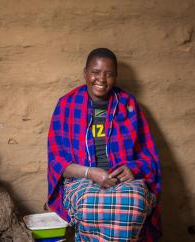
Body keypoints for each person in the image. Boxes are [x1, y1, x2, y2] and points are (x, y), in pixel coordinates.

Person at [47, 48, 161, 241]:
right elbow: (57, 163)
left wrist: (132, 168)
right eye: (95, 72)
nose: (102, 79)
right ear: (85, 73)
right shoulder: (67, 105)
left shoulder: (128, 105)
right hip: (82, 180)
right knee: (88, 204)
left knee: (133, 203)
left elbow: (149, 158)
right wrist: (89, 172)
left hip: (123, 181)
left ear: (115, 77)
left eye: (109, 74)